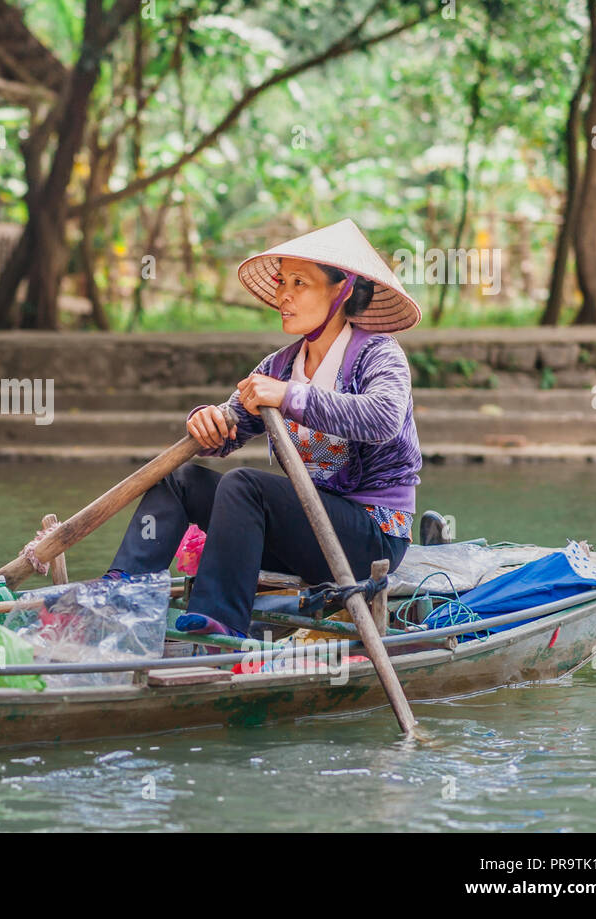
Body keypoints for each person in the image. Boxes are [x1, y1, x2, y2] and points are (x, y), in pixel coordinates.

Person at [105, 218, 424, 637]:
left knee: (245, 486)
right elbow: (229, 428)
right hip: (306, 533)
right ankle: (120, 596)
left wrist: (289, 396)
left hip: (369, 537)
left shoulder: (379, 354)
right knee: (179, 479)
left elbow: (382, 418)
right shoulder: (279, 365)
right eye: (281, 282)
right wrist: (207, 421)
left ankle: (218, 623)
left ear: (342, 289)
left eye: (299, 283)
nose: (283, 295)